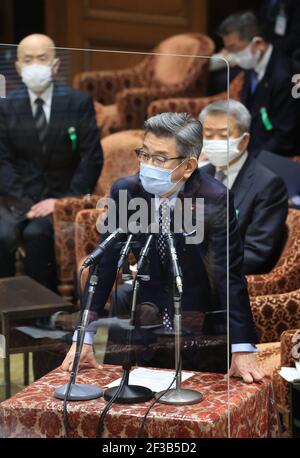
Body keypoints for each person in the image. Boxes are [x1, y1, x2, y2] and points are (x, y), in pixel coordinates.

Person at [62, 112, 264, 384]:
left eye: (159, 158)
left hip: (198, 325)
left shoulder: (214, 199)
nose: (147, 165)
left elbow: (229, 274)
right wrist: (84, 335)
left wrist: (241, 346)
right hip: (142, 317)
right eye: (144, 154)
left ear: (189, 165)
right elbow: (105, 264)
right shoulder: (128, 191)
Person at [0, 34, 103, 292]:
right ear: (18, 67)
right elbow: (3, 160)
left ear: (55, 65)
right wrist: (24, 203)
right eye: (28, 59)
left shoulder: (77, 102)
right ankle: (7, 312)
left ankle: (42, 313)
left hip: (61, 196)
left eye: (42, 58)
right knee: (2, 236)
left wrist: (63, 201)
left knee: (37, 235)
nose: (35, 64)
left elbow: (92, 158)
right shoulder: (6, 106)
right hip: (17, 198)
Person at [199, 99, 288, 275]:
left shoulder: (268, 185)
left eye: (224, 135)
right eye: (208, 135)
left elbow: (255, 254)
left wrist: (200, 271)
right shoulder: (200, 176)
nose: (214, 142)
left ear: (244, 140)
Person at [218, 10, 299, 156]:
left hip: (273, 157)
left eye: (234, 48)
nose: (231, 56)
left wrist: (249, 159)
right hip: (250, 146)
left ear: (258, 43)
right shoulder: (252, 65)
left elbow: (284, 137)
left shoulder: (286, 77)